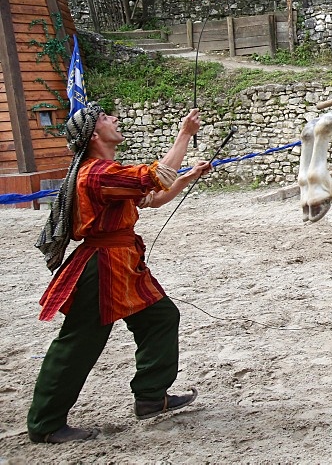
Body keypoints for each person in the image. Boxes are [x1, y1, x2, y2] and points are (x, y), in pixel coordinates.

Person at [27, 103, 212, 444]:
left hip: (123, 262)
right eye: (105, 118)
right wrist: (184, 134)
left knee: (160, 317)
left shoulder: (107, 172)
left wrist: (188, 177)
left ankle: (151, 398)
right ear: (95, 134)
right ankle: (46, 423)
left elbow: (152, 198)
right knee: (79, 344)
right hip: (102, 266)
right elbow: (156, 176)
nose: (115, 118)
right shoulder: (96, 173)